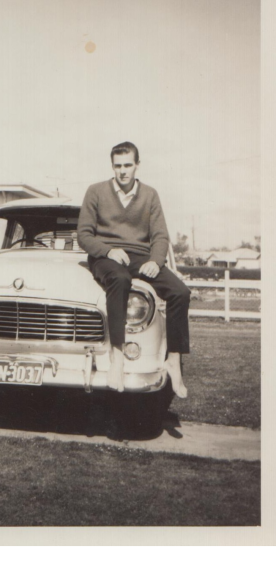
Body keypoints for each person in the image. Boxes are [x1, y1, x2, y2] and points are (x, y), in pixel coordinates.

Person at [77, 141, 190, 398]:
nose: (123, 171)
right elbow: (84, 235)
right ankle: (117, 357)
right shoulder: (95, 192)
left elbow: (160, 236)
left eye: (128, 165)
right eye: (118, 166)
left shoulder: (150, 195)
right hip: (106, 257)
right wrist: (107, 251)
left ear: (137, 165)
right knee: (119, 278)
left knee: (180, 292)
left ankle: (173, 359)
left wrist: (155, 260)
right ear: (112, 166)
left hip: (141, 257)